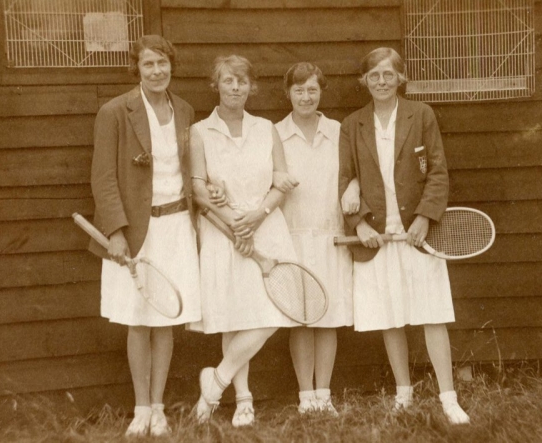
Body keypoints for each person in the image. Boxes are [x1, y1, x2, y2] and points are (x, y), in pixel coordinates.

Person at [338, 47, 470, 424]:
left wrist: (426, 218)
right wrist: (360, 224)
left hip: (417, 234)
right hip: (378, 237)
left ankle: (448, 397)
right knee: (390, 316)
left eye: (388, 74)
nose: (381, 82)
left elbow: (438, 172)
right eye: (374, 75)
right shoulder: (352, 123)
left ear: (400, 78)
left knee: (433, 315)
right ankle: (403, 393)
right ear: (364, 80)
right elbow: (344, 177)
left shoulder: (421, 114)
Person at [89, 35, 203, 437]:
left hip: (176, 228)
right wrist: (116, 233)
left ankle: (158, 407)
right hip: (136, 231)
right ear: (137, 69)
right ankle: (140, 407)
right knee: (138, 320)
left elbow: (191, 170)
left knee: (165, 319)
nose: (157, 71)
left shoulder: (185, 110)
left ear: (172, 65)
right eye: (149, 64)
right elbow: (103, 178)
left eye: (163, 63)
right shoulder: (115, 111)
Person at [189, 55, 299, 427]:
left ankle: (215, 381)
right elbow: (198, 188)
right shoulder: (200, 131)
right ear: (216, 85)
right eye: (228, 81)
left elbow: (281, 181)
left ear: (252, 87)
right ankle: (244, 400)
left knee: (274, 313)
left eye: (242, 82)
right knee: (234, 316)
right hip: (224, 232)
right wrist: (233, 223)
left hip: (266, 228)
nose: (235, 88)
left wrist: (257, 216)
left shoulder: (267, 129)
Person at [274, 62, 353, 415]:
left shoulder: (339, 131)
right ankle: (306, 397)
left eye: (312, 90)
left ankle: (324, 394)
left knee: (329, 317)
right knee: (302, 319)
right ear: (287, 93)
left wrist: (355, 185)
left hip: (331, 236)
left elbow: (358, 170)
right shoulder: (273, 133)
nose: (305, 97)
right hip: (291, 239)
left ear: (321, 91)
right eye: (298, 90)